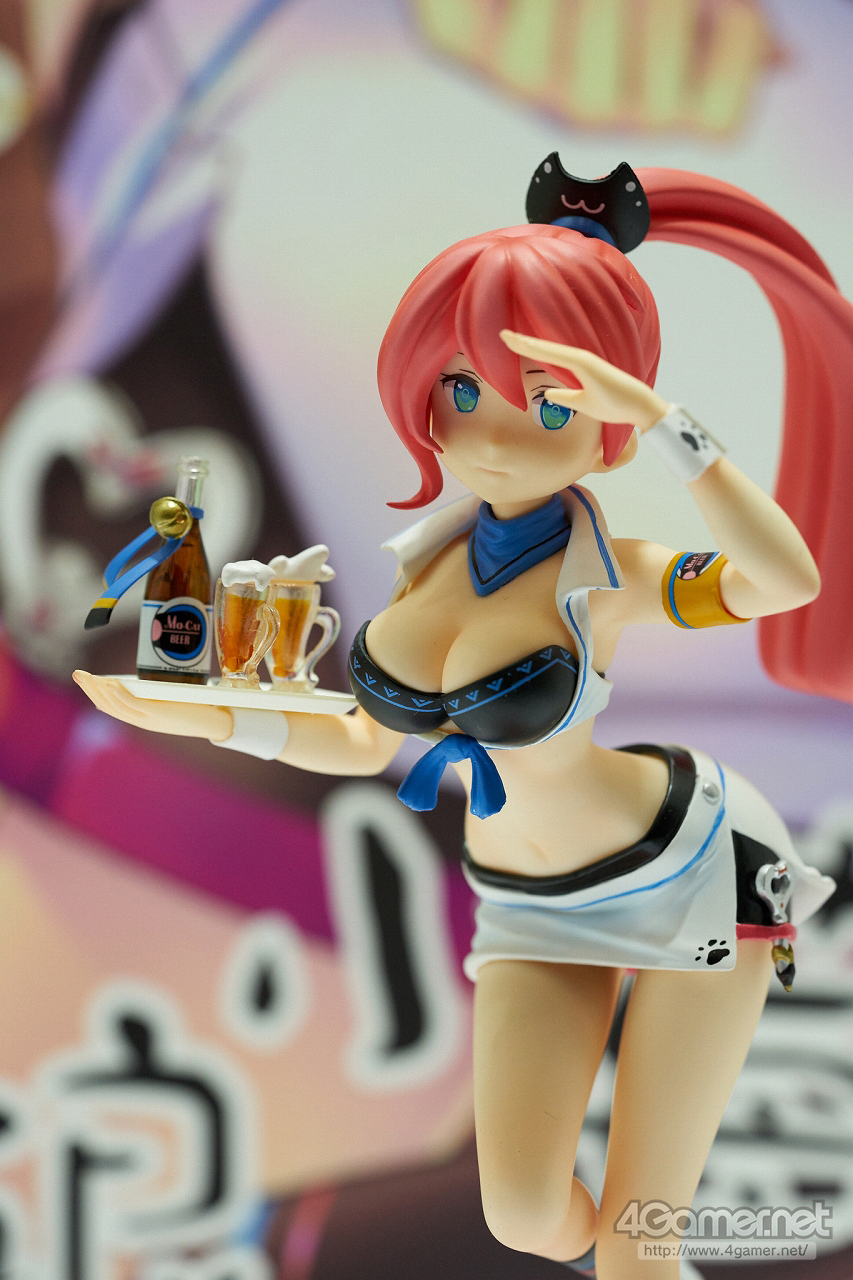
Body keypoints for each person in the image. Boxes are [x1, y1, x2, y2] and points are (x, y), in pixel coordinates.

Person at [74, 160, 850, 1279]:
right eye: (462, 388)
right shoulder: (425, 567)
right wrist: (208, 721)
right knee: (526, 1217)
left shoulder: (610, 575)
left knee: (636, 1241)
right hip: (528, 901)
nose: (494, 434)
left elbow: (782, 581)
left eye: (550, 403)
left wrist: (669, 426)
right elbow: (365, 739)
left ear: (605, 420)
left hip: (683, 873)